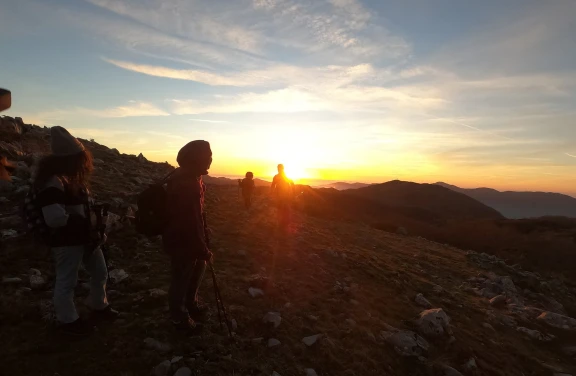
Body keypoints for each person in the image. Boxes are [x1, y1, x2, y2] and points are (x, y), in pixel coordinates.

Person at [34, 126, 117, 336]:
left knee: (100, 272)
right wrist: (85, 222)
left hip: (86, 238)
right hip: (67, 241)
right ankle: (68, 321)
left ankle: (98, 305)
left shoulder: (71, 180)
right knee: (67, 280)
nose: (84, 163)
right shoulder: (52, 182)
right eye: (80, 158)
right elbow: (54, 218)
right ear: (70, 158)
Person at [162, 140, 213, 334]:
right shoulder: (188, 183)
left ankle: (190, 303)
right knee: (181, 277)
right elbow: (190, 222)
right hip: (182, 240)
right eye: (207, 157)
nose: (210, 161)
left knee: (196, 268)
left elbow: (196, 216)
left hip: (180, 236)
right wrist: (203, 248)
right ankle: (179, 318)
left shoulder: (187, 176)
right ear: (197, 159)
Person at [270, 164, 294, 229]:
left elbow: (291, 183)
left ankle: (283, 224)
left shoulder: (282, 176)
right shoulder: (281, 176)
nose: (279, 169)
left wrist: (271, 192)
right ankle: (282, 224)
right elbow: (273, 185)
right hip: (281, 195)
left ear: (282, 168)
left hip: (284, 195)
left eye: (280, 168)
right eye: (278, 168)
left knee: (283, 209)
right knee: (282, 209)